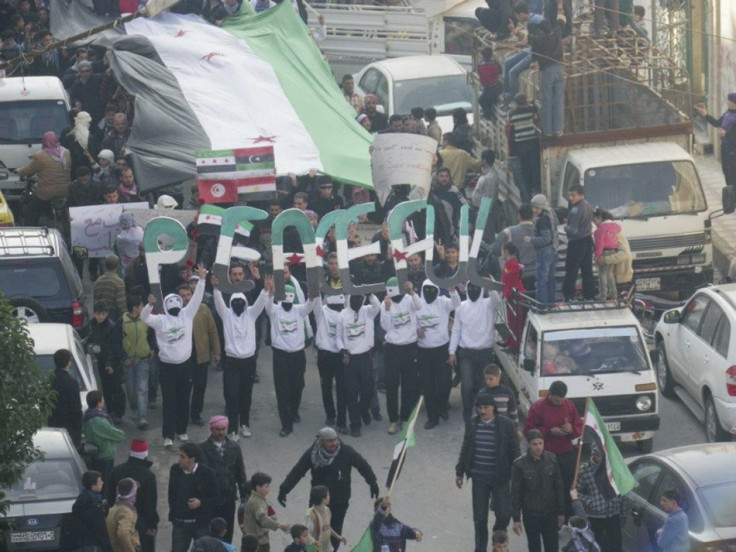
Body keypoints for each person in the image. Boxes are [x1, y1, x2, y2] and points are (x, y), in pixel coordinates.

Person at [278, 427, 379, 551]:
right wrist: (284, 488)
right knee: (314, 533)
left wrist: (372, 482)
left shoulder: (346, 451)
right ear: (321, 442)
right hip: (318, 501)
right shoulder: (312, 454)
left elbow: (362, 465)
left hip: (339, 502)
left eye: (335, 440)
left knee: (334, 532)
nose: (334, 443)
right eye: (329, 441)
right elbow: (298, 471)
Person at [142, 264, 207, 447]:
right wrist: (150, 305)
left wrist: (202, 280)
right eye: (171, 305)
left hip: (185, 366)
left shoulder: (187, 314)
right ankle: (168, 435)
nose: (175, 308)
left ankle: (182, 430)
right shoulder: (160, 320)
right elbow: (144, 318)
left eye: (177, 304)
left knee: (184, 400)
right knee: (169, 402)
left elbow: (196, 299)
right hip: (167, 368)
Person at [455, 392, 520, 552]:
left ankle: (498, 536)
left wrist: (516, 474)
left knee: (504, 514)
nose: (482, 411)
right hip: (479, 478)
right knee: (479, 519)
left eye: (486, 408)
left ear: (494, 408)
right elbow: (466, 447)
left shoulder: (505, 424)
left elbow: (515, 452)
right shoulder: (472, 423)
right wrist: (459, 471)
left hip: (500, 477)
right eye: (480, 408)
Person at [213, 274, 269, 439]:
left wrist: (265, 289)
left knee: (246, 395)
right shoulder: (227, 314)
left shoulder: (251, 314)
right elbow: (218, 302)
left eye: (241, 302)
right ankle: (232, 429)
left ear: (245, 303)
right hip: (231, 362)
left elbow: (260, 302)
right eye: (235, 302)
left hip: (248, 362)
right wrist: (216, 288)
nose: (238, 304)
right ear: (231, 303)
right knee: (232, 395)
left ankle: (244, 424)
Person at [523, 380, 582, 517]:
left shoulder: (569, 405)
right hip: (546, 453)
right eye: (556, 400)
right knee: (549, 486)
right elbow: (528, 430)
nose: (559, 403)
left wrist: (571, 429)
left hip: (566, 452)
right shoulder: (538, 407)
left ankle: (568, 516)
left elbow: (578, 427)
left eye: (561, 401)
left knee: (569, 484)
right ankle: (551, 515)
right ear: (550, 395)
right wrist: (549, 431)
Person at [264, 282, 315, 437]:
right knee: (282, 389)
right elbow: (268, 305)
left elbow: (309, 306)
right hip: (281, 356)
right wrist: (270, 293)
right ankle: (286, 424)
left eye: (290, 298)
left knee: (297, 385)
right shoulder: (275, 311)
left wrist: (312, 296)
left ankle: (294, 411)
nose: (287, 301)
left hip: (298, 355)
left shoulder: (299, 311)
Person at [449, 283, 503, 421]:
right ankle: (467, 412)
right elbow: (456, 330)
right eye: (471, 288)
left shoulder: (488, 304)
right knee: (467, 385)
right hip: (466, 353)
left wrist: (490, 288)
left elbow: (497, 302)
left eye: (476, 287)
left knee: (483, 386)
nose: (473, 290)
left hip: (484, 353)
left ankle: (482, 413)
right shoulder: (461, 307)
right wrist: (452, 351)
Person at [416, 279, 461, 429]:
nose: (429, 292)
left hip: (442, 349)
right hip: (424, 351)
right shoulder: (417, 304)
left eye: (432, 289)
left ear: (437, 290)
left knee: (445, 382)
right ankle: (432, 417)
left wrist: (452, 290)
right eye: (426, 289)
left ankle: (443, 406)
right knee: (428, 386)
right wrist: (416, 330)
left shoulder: (443, 302)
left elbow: (457, 303)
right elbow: (411, 321)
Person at [335, 294, 382, 437]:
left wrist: (370, 295)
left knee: (368, 389)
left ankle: (363, 409)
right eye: (354, 298)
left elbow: (377, 307)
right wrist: (342, 349)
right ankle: (355, 425)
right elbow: (338, 336)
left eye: (360, 298)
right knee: (351, 393)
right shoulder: (342, 315)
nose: (357, 301)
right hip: (350, 359)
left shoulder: (367, 311)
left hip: (365, 356)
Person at [511, 429, 565, 552]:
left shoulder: (552, 459)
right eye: (534, 444)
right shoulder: (519, 465)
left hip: (550, 513)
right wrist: (516, 519)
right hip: (531, 514)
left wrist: (561, 512)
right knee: (534, 547)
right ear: (528, 445)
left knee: (552, 547)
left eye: (540, 443)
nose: (538, 447)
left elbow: (559, 486)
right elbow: (515, 492)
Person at [381, 278, 421, 435]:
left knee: (408, 385)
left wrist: (412, 291)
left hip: (409, 347)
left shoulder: (409, 299)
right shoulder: (387, 302)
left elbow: (419, 306)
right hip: (392, 349)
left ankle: (405, 418)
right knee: (391, 386)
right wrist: (388, 308)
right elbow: (385, 326)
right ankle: (392, 420)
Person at [177, 282, 221, 427]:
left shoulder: (203, 309)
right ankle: (182, 413)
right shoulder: (175, 312)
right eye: (183, 296)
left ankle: (196, 414)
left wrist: (217, 351)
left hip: (201, 355)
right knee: (184, 388)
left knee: (200, 387)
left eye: (188, 295)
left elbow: (212, 330)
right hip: (184, 358)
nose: (186, 298)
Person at [199, 415, 248, 544]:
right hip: (209, 499)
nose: (221, 432)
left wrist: (245, 496)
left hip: (228, 497)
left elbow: (240, 473)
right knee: (210, 533)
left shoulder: (234, 448)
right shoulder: (202, 449)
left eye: (223, 429)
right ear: (211, 429)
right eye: (217, 429)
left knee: (226, 533)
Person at [107, 439, 159, 552]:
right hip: (142, 525)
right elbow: (150, 504)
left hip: (116, 520)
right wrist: (152, 525)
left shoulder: (116, 471)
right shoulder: (148, 476)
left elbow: (109, 497)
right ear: (145, 454)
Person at [113, 294, 154, 430]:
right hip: (128, 362)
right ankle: (135, 409)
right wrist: (124, 358)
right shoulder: (121, 322)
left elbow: (152, 335)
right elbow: (116, 343)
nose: (143, 307)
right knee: (130, 388)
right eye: (141, 305)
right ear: (135, 308)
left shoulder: (146, 319)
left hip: (143, 360)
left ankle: (142, 417)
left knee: (142, 388)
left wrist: (153, 348)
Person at [168, 442, 218, 552]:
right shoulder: (175, 470)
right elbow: (171, 494)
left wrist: (201, 503)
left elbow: (216, 498)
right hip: (180, 523)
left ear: (192, 459)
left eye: (182, 456)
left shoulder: (207, 474)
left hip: (200, 524)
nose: (179, 459)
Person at [15, 130, 71, 225]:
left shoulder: (40, 155)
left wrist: (18, 171)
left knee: (32, 210)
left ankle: (30, 230)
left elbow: (29, 170)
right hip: (64, 191)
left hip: (46, 193)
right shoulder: (66, 152)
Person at [575, 445, 623, 552]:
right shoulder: (585, 470)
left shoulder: (612, 468)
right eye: (598, 455)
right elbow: (577, 492)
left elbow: (621, 490)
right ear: (593, 455)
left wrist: (622, 512)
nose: (601, 459)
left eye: (603, 455)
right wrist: (590, 502)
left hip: (613, 513)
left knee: (616, 546)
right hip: (595, 516)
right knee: (597, 546)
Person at [313, 294, 348, 428]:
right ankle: (330, 415)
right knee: (326, 387)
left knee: (342, 388)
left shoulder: (345, 312)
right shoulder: (321, 311)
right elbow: (315, 299)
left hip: (341, 355)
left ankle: (341, 420)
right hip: (325, 355)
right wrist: (318, 289)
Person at [90, 301, 125, 424]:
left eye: (103, 314)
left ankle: (118, 413)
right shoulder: (93, 324)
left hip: (111, 363)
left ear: (107, 314)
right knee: (105, 389)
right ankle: (110, 412)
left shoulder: (111, 327)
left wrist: (110, 364)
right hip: (99, 361)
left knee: (115, 388)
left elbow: (111, 348)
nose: (100, 317)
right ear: (94, 314)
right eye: (98, 314)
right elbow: (90, 337)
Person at [491, 203, 536, 292]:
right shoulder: (540, 231)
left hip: (518, 277)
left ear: (519, 216)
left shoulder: (508, 232)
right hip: (538, 275)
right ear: (533, 216)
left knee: (520, 304)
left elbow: (495, 250)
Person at [83, 390, 125, 484]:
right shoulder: (99, 420)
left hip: (96, 453)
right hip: (104, 455)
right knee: (105, 482)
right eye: (102, 399)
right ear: (98, 403)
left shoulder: (88, 416)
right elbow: (119, 435)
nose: (104, 401)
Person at [532, 19, 564, 137]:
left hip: (547, 71)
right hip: (559, 69)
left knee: (547, 101)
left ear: (541, 31)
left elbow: (533, 53)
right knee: (559, 101)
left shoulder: (539, 40)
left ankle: (548, 131)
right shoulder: (557, 34)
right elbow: (561, 22)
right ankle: (558, 129)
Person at [695, 93, 736, 188]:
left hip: (733, 151)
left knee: (733, 174)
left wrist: (726, 134)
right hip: (725, 149)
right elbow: (717, 123)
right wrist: (705, 114)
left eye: (729, 101)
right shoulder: (727, 113)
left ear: (734, 103)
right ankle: (730, 193)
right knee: (726, 171)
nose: (727, 102)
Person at [242, 472, 290, 552]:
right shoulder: (257, 502)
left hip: (254, 540)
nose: (269, 489)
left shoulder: (258, 499)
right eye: (266, 487)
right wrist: (279, 525)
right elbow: (263, 519)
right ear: (258, 487)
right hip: (258, 542)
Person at [562, 185, 595, 301]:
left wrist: (566, 227)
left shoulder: (576, 209)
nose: (570, 198)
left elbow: (574, 230)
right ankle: (589, 295)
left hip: (576, 242)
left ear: (581, 195)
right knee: (587, 269)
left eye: (573, 195)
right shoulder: (587, 204)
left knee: (572, 269)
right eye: (569, 195)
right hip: (587, 239)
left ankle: (568, 295)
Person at [68, 470, 112, 552]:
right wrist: (108, 546)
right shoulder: (93, 503)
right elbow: (99, 527)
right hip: (93, 544)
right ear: (93, 484)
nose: (102, 483)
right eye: (100, 481)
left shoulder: (82, 499)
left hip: (80, 543)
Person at [508, 94, 541, 203]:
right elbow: (537, 110)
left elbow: (509, 123)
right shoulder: (530, 110)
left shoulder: (511, 114)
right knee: (535, 165)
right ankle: (537, 187)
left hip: (520, 144)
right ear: (525, 102)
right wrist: (531, 102)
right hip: (532, 140)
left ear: (516, 103)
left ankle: (529, 186)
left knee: (525, 167)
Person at [526, 194, 559, 304]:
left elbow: (546, 238)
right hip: (553, 251)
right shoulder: (551, 215)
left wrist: (531, 239)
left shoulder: (542, 220)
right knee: (550, 280)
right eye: (533, 207)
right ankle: (551, 303)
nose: (534, 210)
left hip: (545, 252)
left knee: (541, 280)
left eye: (537, 208)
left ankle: (542, 304)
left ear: (542, 208)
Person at [47, 348, 83, 447]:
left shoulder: (49, 380)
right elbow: (76, 408)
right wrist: (78, 427)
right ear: (68, 363)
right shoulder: (71, 382)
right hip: (69, 427)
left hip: (52, 425)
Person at [592, 208, 621, 301]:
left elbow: (599, 244)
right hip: (613, 251)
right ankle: (613, 294)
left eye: (594, 220)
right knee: (610, 274)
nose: (594, 223)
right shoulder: (615, 226)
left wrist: (597, 256)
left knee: (602, 274)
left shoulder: (600, 229)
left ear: (600, 218)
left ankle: (602, 295)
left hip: (604, 252)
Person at [304, 485, 346, 552]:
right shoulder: (311, 515)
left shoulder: (327, 510)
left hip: (327, 549)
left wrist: (338, 536)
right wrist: (314, 542)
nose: (329, 496)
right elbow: (305, 533)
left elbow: (327, 527)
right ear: (323, 499)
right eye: (328, 494)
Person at [501, 242, 525, 350]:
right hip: (512, 295)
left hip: (514, 295)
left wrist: (505, 294)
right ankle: (510, 340)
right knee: (511, 319)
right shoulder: (511, 263)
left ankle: (515, 344)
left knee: (516, 321)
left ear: (505, 252)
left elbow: (510, 281)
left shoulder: (512, 264)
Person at [107, 478, 141, 552]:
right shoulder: (126, 512)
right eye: (134, 493)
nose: (135, 496)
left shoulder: (114, 508)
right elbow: (123, 533)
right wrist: (131, 549)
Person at [93, 254, 127, 319]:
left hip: (100, 315)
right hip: (113, 316)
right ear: (117, 266)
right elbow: (121, 305)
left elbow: (95, 301)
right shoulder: (119, 282)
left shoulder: (97, 282)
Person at [477, 46, 502, 119]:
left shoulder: (480, 65)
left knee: (481, 100)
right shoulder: (495, 63)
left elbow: (479, 74)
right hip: (497, 87)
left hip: (487, 88)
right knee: (488, 99)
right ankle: (492, 106)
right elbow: (500, 72)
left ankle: (489, 116)